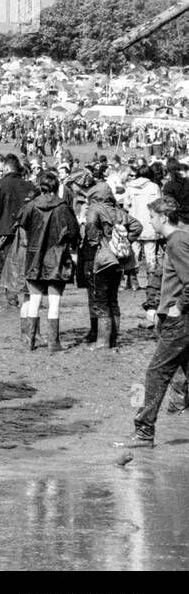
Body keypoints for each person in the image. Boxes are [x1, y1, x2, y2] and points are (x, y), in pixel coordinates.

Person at [130, 196, 189, 446]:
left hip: (180, 320)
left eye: (152, 217)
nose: (150, 222)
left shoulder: (177, 241)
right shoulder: (180, 238)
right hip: (179, 318)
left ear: (163, 217)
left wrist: (178, 307)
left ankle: (143, 431)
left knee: (156, 372)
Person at [15, 170, 81, 352]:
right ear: (56, 186)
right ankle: (53, 342)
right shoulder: (63, 207)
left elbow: (21, 225)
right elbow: (74, 232)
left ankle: (29, 341)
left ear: (40, 186)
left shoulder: (31, 206)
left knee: (34, 299)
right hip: (57, 257)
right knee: (54, 301)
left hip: (34, 256)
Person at [81, 182, 141, 349]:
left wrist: (96, 242)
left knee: (100, 300)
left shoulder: (95, 209)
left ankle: (102, 341)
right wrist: (125, 241)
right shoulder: (119, 211)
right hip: (119, 260)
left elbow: (91, 224)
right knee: (113, 299)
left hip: (102, 258)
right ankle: (113, 339)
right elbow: (137, 226)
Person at [0, 153, 34, 303]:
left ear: (7, 168)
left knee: (7, 269)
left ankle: (12, 300)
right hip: (25, 232)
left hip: (3, 231)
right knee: (25, 265)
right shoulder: (30, 186)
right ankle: (28, 300)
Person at [122, 166, 161, 290]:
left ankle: (133, 281)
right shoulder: (154, 187)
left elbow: (126, 206)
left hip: (134, 224)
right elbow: (159, 206)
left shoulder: (130, 187)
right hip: (150, 224)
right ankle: (151, 281)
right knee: (150, 254)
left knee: (133, 253)